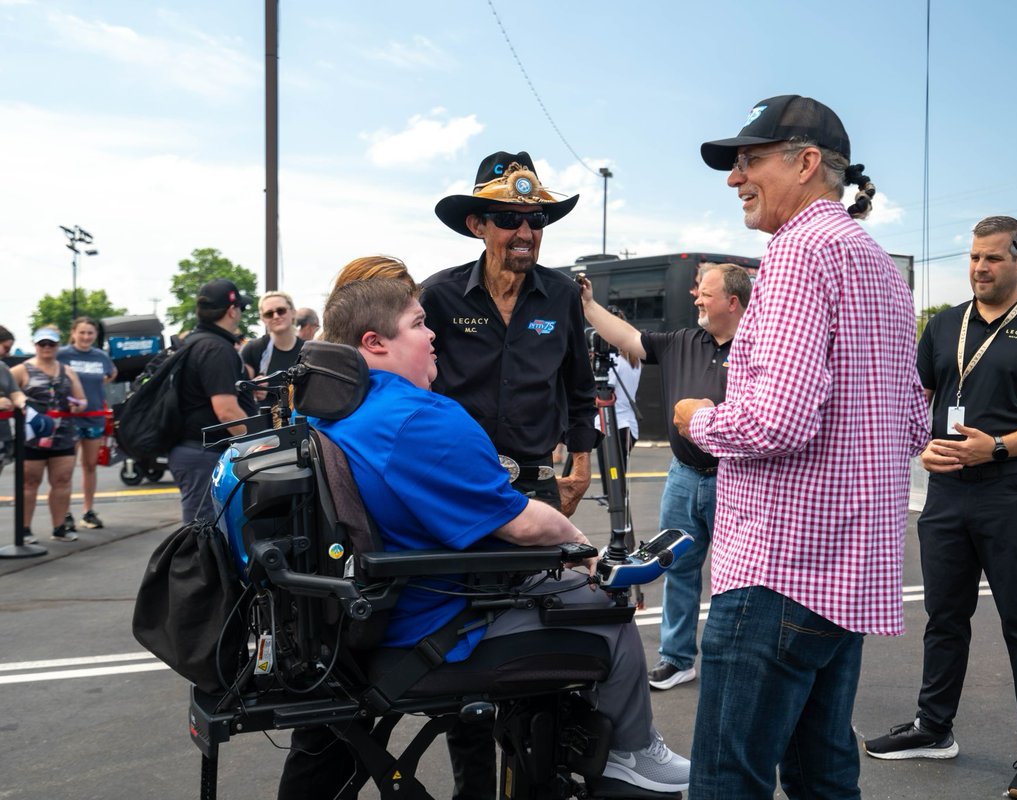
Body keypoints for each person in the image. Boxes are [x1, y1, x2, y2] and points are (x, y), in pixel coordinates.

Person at [276, 257, 689, 799]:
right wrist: (589, 554)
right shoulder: (419, 417)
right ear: (375, 342)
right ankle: (631, 754)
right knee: (607, 611)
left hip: (365, 616)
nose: (433, 339)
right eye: (420, 325)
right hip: (432, 625)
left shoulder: (327, 410)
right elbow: (522, 523)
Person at [673, 94, 929, 798]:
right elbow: (914, 426)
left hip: (778, 569)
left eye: (749, 160)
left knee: (730, 781)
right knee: (822, 776)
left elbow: (776, 421)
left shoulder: (796, 253)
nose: (734, 177)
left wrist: (696, 417)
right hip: (844, 575)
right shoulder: (877, 266)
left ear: (807, 162)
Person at [864, 216, 1017, 800]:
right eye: (973, 258)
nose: (980, 268)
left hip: (1014, 492)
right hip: (948, 495)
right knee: (944, 618)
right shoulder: (943, 326)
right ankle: (934, 727)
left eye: (992, 258)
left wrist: (1001, 446)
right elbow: (917, 400)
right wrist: (922, 448)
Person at [420, 150, 600, 800]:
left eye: (535, 220)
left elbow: (581, 389)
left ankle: (535, 780)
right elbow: (414, 388)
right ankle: (472, 788)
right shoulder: (437, 296)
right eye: (508, 219)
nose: (524, 233)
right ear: (477, 224)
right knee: (459, 648)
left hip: (535, 490)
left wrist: (580, 462)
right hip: (457, 498)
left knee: (543, 643)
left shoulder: (559, 296)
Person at [580, 262, 750, 692]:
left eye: (705, 293)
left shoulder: (759, 348)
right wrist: (588, 305)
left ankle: (736, 660)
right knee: (678, 567)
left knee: (741, 577)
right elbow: (627, 337)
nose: (696, 298)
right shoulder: (683, 341)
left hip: (738, 479)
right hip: (683, 475)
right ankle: (677, 660)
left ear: (732, 302)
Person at [168, 279, 256, 524]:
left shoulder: (194, 341)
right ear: (231, 310)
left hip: (193, 451)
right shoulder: (216, 348)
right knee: (202, 537)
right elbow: (227, 411)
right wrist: (261, 444)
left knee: (206, 531)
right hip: (204, 455)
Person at [11, 326, 88, 542]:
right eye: (42, 343)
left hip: (62, 435)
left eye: (51, 344)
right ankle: (24, 529)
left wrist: (78, 406)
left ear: (57, 346)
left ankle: (60, 527)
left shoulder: (67, 371)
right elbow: (5, 394)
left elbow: (82, 400)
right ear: (35, 345)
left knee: (62, 480)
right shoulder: (21, 370)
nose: (46, 348)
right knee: (29, 482)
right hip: (31, 437)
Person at [57, 316, 117, 530]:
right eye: (81, 332)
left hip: (94, 417)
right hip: (68, 419)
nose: (85, 337)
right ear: (73, 333)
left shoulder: (100, 356)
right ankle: (63, 514)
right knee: (65, 470)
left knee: (90, 466)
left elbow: (111, 374)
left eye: (90, 333)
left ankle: (88, 511)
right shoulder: (62, 354)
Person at [591, 305, 642, 468]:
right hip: (627, 426)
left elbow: (602, 393)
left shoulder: (615, 361)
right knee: (619, 479)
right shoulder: (634, 359)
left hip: (610, 427)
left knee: (611, 482)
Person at [242, 291, 305, 378]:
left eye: (281, 311)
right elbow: (242, 388)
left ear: (293, 312)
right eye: (269, 314)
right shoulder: (253, 349)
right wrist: (254, 388)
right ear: (263, 318)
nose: (276, 316)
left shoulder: (307, 351)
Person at [0, 325, 27, 481]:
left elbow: (15, 392)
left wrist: (23, 403)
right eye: (5, 348)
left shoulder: (2, 367)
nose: (8, 353)